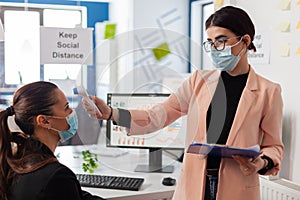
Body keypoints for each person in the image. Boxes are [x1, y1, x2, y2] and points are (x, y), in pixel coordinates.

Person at [83, 6, 284, 200]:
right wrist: (111, 113)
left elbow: (274, 145)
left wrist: (262, 162)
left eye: (221, 41)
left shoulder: (268, 91)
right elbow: (157, 115)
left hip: (238, 185)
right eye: (210, 42)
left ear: (245, 41)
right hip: (196, 183)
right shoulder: (199, 81)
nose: (214, 49)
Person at [0, 81, 105, 200]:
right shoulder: (56, 176)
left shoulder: (16, 161)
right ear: (44, 121)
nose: (72, 112)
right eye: (66, 108)